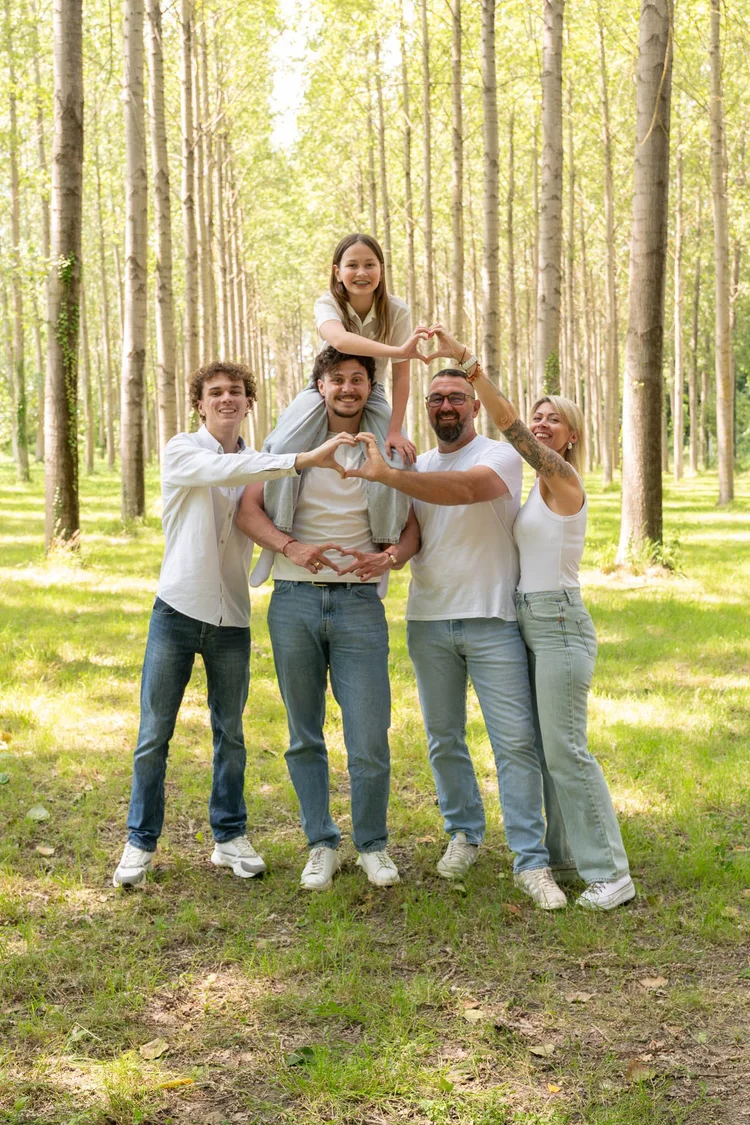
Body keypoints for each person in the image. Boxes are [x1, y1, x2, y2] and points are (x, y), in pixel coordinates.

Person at [113, 361, 354, 888]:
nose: (227, 399)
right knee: (154, 734)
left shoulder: (258, 461)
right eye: (216, 392)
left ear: (249, 402)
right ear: (199, 404)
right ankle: (139, 842)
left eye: (237, 392)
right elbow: (226, 472)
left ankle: (229, 837)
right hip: (176, 610)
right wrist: (301, 459)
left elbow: (267, 515)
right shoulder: (183, 450)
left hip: (232, 619)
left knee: (231, 734)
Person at [422, 325, 635, 911]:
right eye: (537, 416)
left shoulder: (563, 480)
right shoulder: (538, 488)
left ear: (571, 437)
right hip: (528, 621)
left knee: (567, 750)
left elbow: (508, 426)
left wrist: (469, 364)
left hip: (559, 622)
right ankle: (565, 857)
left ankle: (611, 873)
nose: (540, 424)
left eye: (553, 420)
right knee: (544, 748)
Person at [347, 362, 566, 910]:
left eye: (456, 397)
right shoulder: (417, 463)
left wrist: (389, 475)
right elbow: (417, 529)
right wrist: (391, 557)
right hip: (428, 619)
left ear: (473, 405)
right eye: (436, 398)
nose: (445, 405)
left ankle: (531, 862)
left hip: (493, 618)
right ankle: (464, 832)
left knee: (514, 743)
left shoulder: (499, 455)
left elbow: (465, 490)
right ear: (427, 408)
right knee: (444, 738)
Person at [237, 346, 406, 892]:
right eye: (337, 379)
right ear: (321, 387)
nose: (348, 388)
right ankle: (321, 843)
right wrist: (291, 547)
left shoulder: (389, 449)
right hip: (294, 600)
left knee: (369, 736)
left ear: (370, 389)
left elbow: (414, 524)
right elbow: (247, 510)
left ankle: (372, 844)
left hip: (359, 605)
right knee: (303, 734)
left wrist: (389, 557)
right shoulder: (289, 448)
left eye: (358, 379)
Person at [261, 234, 428, 557]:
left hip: (372, 388)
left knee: (398, 461)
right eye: (352, 265)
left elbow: (401, 375)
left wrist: (395, 429)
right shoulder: (327, 304)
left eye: (370, 265)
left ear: (381, 270)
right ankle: (279, 529)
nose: (361, 273)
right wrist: (398, 350)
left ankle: (385, 540)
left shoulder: (397, 310)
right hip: (325, 386)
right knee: (281, 447)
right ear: (337, 272)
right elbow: (339, 340)